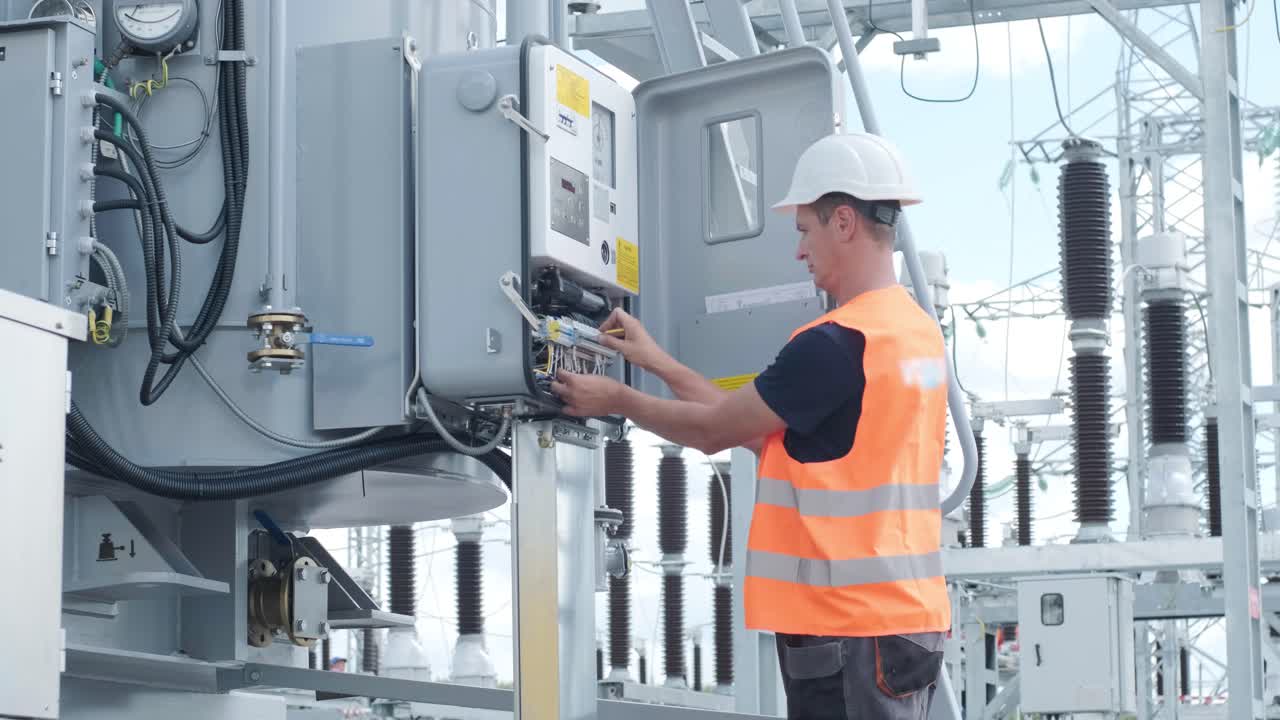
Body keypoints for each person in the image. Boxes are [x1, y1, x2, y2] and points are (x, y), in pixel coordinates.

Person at [552, 132, 950, 720]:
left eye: (804, 230)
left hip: (848, 631)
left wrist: (615, 399)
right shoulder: (912, 332)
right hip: (902, 625)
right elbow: (741, 425)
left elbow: (715, 431)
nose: (799, 252)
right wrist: (653, 362)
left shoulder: (837, 345)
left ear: (843, 221)